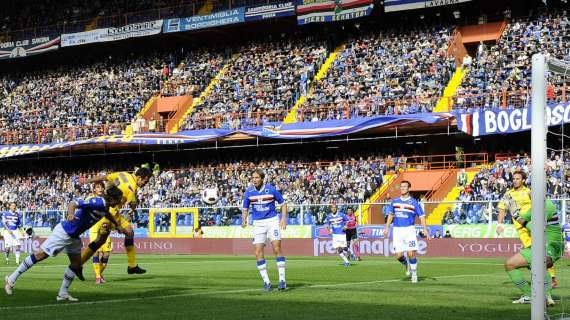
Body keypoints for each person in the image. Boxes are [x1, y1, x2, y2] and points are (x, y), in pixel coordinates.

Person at [4, 185, 123, 301]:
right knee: (40, 255)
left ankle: (63, 293)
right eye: (118, 200)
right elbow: (73, 203)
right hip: (64, 232)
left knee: (76, 264)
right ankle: (11, 279)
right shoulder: (98, 202)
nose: (119, 202)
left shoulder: (106, 206)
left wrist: (117, 225)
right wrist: (70, 214)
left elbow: (107, 214)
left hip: (74, 237)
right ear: (112, 198)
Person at [79, 166, 153, 275]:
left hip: (115, 212)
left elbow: (104, 177)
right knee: (99, 241)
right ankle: (78, 264)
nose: (145, 183)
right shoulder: (131, 188)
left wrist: (86, 181)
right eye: (145, 181)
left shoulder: (124, 174)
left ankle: (132, 266)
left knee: (129, 232)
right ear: (139, 177)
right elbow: (132, 203)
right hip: (109, 214)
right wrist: (130, 212)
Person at [496, 171, 558, 288]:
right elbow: (502, 209)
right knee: (535, 254)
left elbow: (541, 205)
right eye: (513, 178)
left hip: (531, 226)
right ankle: (546, 282)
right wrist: (499, 225)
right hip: (521, 230)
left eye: (518, 178)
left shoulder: (529, 192)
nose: (515, 180)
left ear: (523, 180)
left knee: (540, 252)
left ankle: (551, 280)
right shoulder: (508, 194)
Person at [504, 199, 562, 306]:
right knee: (510, 264)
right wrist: (514, 212)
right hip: (539, 245)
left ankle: (546, 295)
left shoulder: (546, 204)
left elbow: (537, 228)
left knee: (540, 263)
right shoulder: (535, 206)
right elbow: (523, 219)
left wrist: (516, 216)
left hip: (552, 244)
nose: (530, 192)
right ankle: (530, 294)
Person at [241, 169, 287, 292]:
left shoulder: (271, 189)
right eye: (253, 178)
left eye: (256, 177)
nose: (254, 180)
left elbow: (283, 204)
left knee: (277, 248)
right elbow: (245, 208)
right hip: (258, 223)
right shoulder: (249, 192)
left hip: (272, 221)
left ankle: (282, 280)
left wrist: (283, 219)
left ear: (262, 178)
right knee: (257, 252)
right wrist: (244, 220)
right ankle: (267, 282)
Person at [383, 180, 429, 283]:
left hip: (409, 230)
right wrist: (386, 228)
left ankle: (414, 274)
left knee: (411, 253)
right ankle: (406, 264)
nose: (402, 188)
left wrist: (425, 229)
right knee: (398, 256)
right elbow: (391, 215)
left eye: (405, 187)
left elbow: (422, 217)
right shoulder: (394, 202)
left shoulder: (414, 202)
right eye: (401, 186)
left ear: (409, 189)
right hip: (397, 230)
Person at [89, 181, 112, 284]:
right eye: (98, 187)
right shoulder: (90, 199)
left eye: (102, 187)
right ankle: (98, 276)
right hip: (94, 230)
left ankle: (99, 274)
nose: (100, 189)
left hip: (106, 230)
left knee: (106, 254)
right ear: (94, 189)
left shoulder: (107, 200)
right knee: (96, 252)